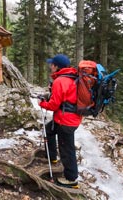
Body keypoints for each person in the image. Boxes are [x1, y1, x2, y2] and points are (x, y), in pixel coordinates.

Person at [38, 54, 82, 188]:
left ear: (56, 66)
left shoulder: (60, 81)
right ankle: (52, 157)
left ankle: (71, 179)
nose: (50, 66)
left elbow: (53, 105)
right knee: (49, 129)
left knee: (67, 149)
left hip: (66, 121)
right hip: (69, 118)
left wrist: (42, 103)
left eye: (52, 64)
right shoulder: (72, 77)